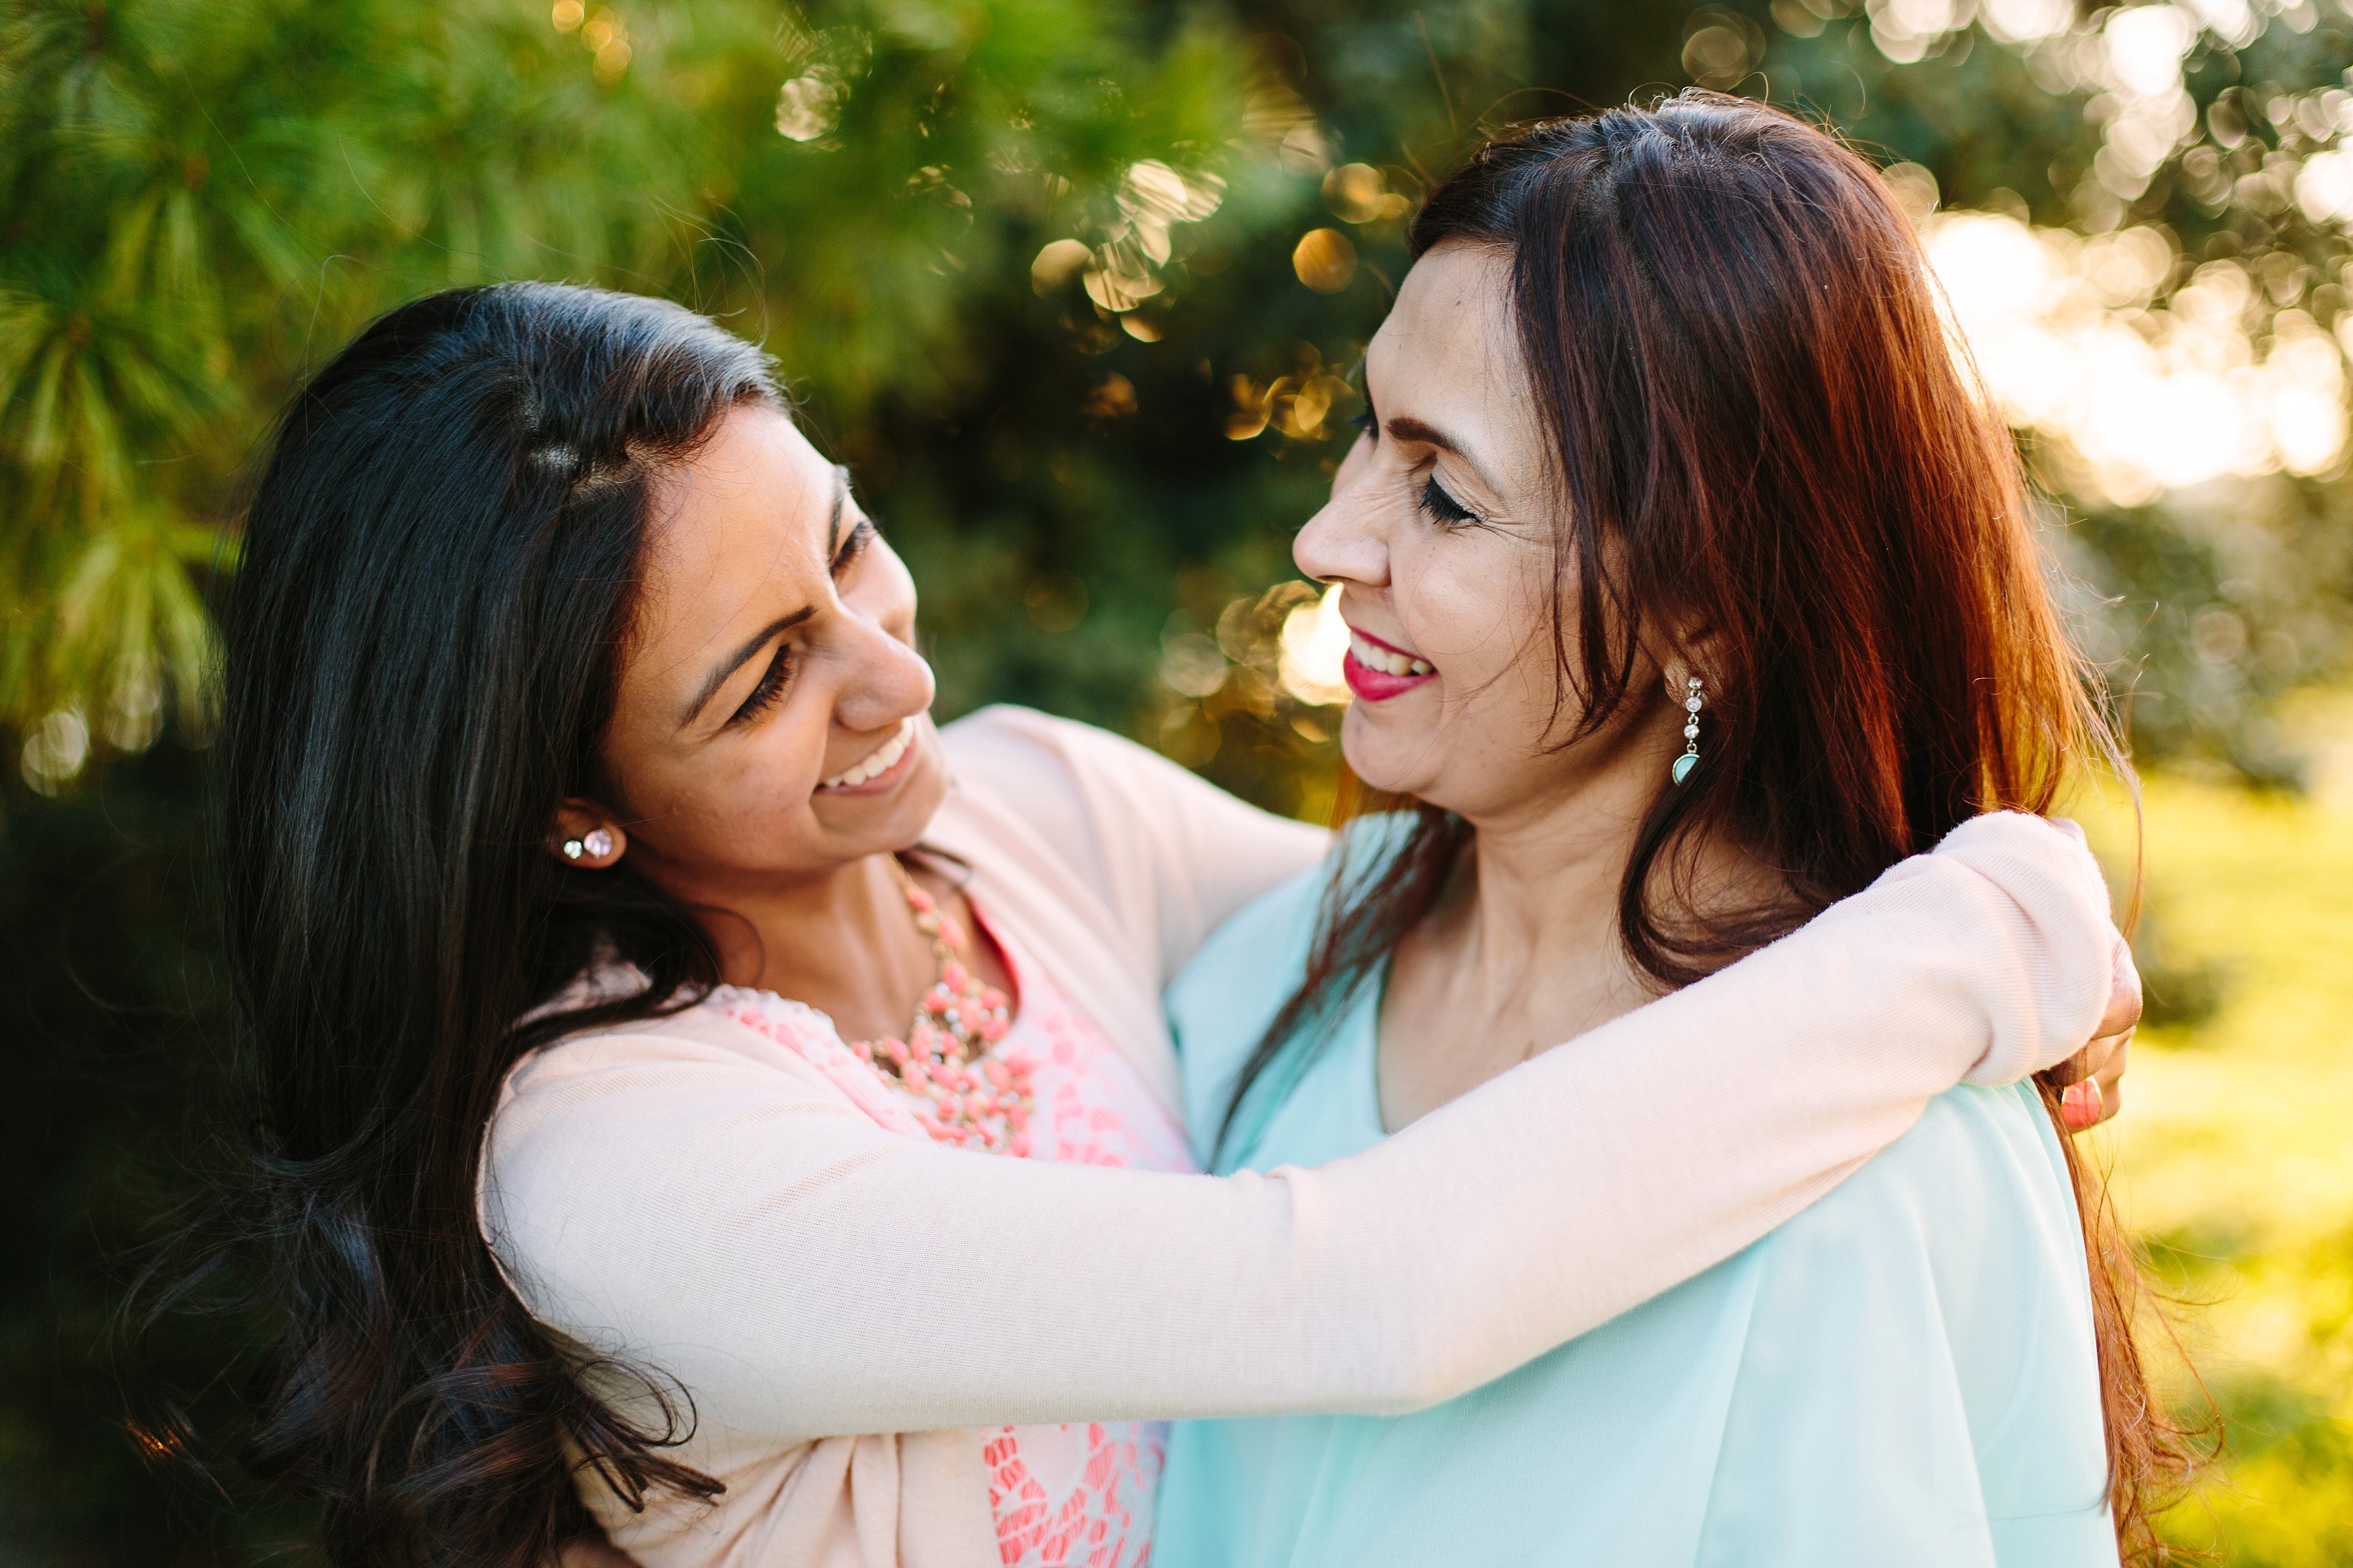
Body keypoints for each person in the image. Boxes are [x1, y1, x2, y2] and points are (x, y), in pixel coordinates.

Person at [202, 278, 2133, 1568]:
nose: (891, 671)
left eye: (850, 541)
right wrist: (1976, 933)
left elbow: (1516, 935)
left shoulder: (1042, 814)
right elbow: (1360, 1283)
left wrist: (1950, 872)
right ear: (568, 805)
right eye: (767, 677)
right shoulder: (613, 1152)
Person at [1152, 95, 2186, 1568]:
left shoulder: (1874, 1177)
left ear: (1706, 602)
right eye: (1366, 436)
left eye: (1442, 493)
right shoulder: (1279, 966)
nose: (1329, 541)